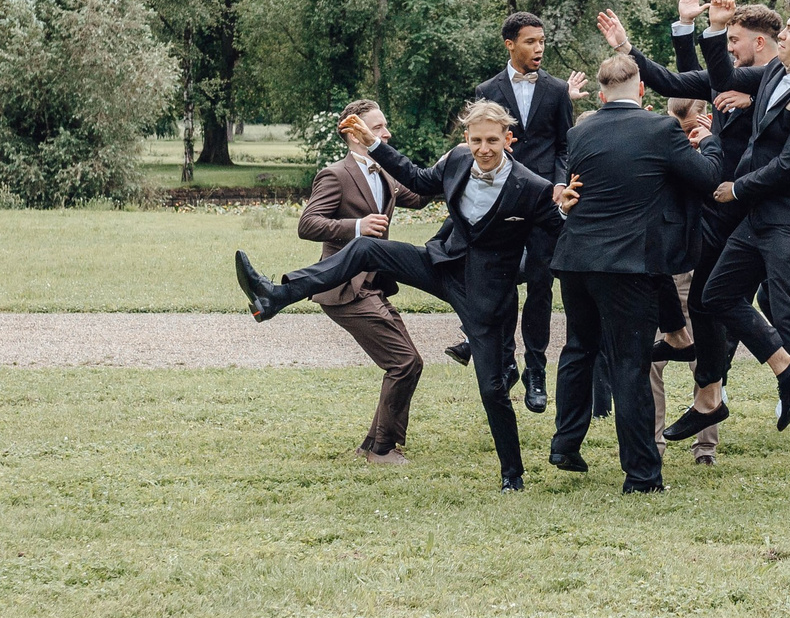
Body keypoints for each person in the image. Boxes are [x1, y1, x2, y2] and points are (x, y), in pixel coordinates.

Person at [235, 100, 567, 494]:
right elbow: (417, 178)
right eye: (476, 140)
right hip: (442, 267)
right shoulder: (459, 161)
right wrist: (374, 143)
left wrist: (564, 214)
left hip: (487, 295)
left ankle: (512, 474)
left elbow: (548, 253)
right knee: (365, 249)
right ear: (466, 139)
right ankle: (277, 295)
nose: (484, 149)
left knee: (492, 390)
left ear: (507, 139)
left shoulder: (532, 188)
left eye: (492, 140)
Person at [673, 0, 790, 477]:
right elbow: (724, 79)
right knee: (716, 295)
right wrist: (713, 29)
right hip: (759, 217)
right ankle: (788, 370)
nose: (783, 36)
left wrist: (738, 189)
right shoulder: (776, 73)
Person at [594, 0, 781, 434]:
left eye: (733, 41)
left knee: (717, 298)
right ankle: (708, 391)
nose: (727, 50)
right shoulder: (733, 77)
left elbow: (789, 120)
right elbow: (674, 82)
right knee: (701, 295)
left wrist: (747, 102)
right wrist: (627, 45)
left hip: (747, 208)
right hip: (715, 204)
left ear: (759, 41)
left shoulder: (782, 78)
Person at [545, 55, 724, 493]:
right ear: (642, 90)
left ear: (602, 94)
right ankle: (642, 474)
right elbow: (706, 178)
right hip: (627, 264)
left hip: (575, 258)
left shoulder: (580, 131)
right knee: (629, 364)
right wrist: (713, 140)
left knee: (579, 349)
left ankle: (565, 443)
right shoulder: (661, 130)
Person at [456, 12, 581, 414]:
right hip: (501, 201)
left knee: (542, 284)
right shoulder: (486, 89)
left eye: (542, 41)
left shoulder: (558, 90)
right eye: (531, 42)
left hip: (544, 199)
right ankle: (507, 362)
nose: (539, 48)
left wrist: (560, 182)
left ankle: (537, 371)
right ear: (510, 44)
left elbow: (565, 145)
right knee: (502, 278)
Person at [294, 99, 431, 465]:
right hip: (344, 288)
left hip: (373, 286)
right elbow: (308, 224)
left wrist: (467, 160)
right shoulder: (335, 175)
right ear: (355, 132)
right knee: (405, 363)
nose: (386, 134)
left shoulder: (385, 174)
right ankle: (382, 450)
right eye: (379, 127)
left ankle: (373, 445)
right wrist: (357, 227)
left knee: (408, 362)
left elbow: (420, 194)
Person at [648, 97, 723, 465]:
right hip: (664, 267)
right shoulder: (659, 141)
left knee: (704, 360)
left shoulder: (715, 144)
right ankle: (654, 444)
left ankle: (705, 445)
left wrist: (707, 144)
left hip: (699, 265)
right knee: (651, 361)